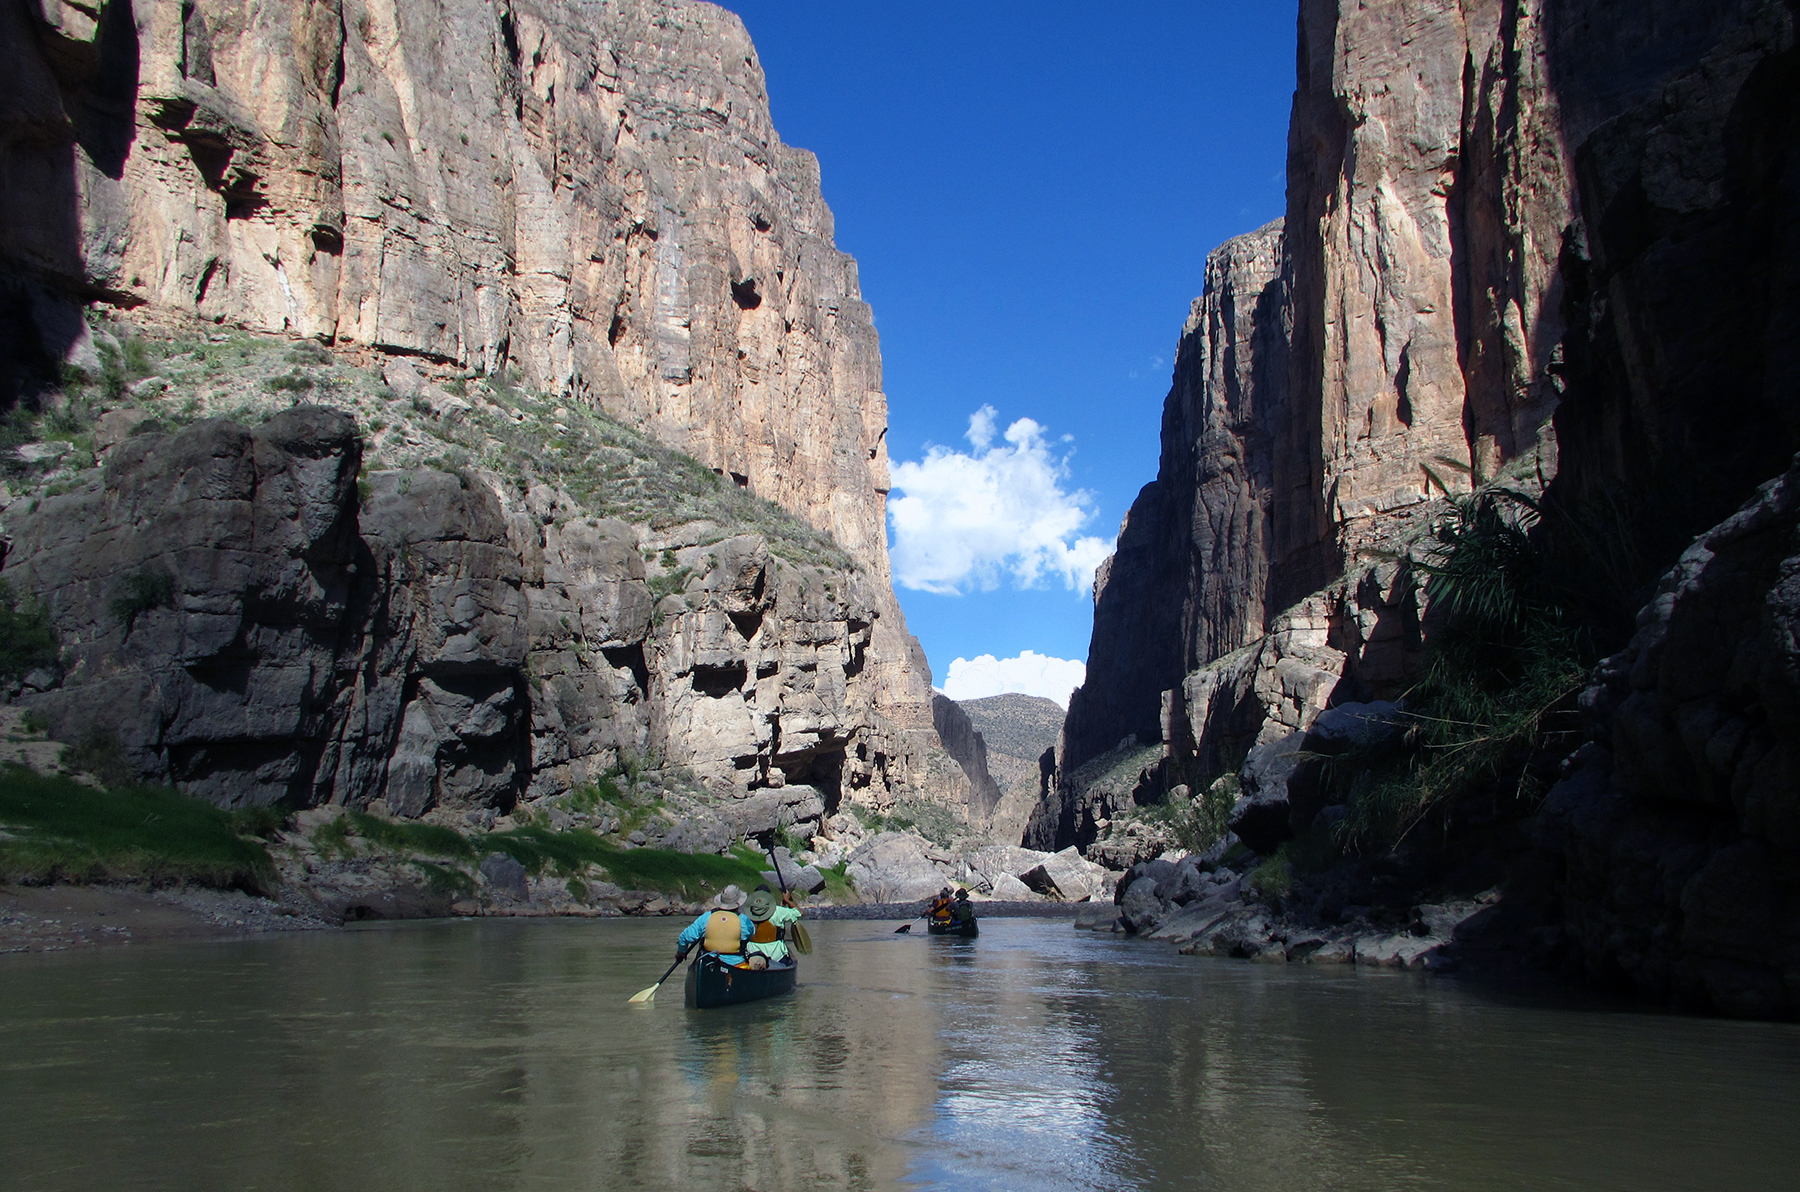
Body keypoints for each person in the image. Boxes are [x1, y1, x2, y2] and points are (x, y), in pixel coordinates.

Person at [675, 885, 752, 967]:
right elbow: (752, 937)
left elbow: (683, 938)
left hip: (708, 963)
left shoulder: (706, 917)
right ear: (739, 903)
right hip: (736, 965)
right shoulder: (744, 920)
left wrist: (681, 952)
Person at [742, 886, 802, 969]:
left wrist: (782, 905)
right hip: (776, 956)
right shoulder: (778, 911)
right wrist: (787, 900)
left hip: (753, 954)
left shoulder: (747, 912)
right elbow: (799, 913)